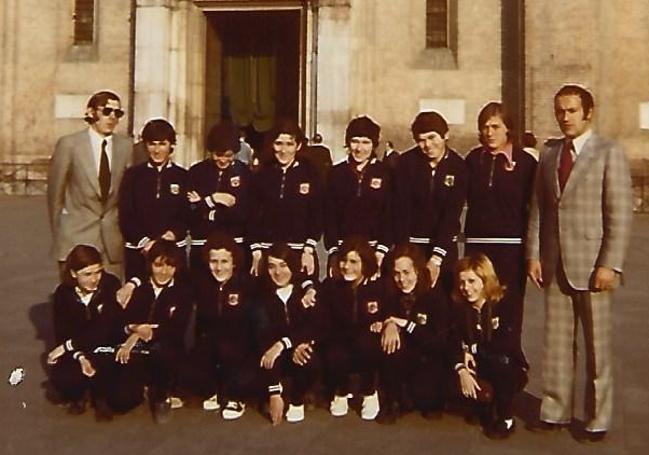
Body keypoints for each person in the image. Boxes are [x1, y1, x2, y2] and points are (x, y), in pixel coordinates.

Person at [526, 84, 633, 441]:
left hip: (593, 264)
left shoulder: (608, 153)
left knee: (597, 347)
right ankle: (554, 409)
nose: (565, 117)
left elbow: (619, 214)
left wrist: (610, 264)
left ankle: (596, 417)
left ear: (588, 113)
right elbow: (539, 210)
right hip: (555, 262)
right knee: (556, 343)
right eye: (560, 110)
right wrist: (534, 255)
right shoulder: (550, 154)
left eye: (572, 110)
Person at [464, 102, 537, 350]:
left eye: (495, 126)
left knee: (508, 312)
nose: (489, 132)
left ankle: (509, 367)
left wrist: (533, 253)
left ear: (508, 130)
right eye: (485, 127)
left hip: (510, 249)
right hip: (477, 248)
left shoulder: (526, 163)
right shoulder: (474, 160)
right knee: (474, 309)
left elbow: (534, 210)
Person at [48, 90, 132, 278]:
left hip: (112, 240)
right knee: (74, 300)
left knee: (111, 300)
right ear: (91, 112)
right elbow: (55, 195)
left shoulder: (126, 147)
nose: (112, 117)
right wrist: (60, 234)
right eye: (107, 111)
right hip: (76, 237)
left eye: (118, 113)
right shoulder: (69, 144)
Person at [107, 240, 192, 423]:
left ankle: (162, 396)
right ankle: (140, 388)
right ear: (150, 265)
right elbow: (120, 322)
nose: (164, 271)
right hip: (137, 350)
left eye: (170, 266)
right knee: (120, 402)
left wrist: (143, 332)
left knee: (164, 351)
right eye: (158, 265)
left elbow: (176, 328)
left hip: (165, 350)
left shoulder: (182, 293)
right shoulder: (138, 289)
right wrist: (132, 329)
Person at [393, 111, 467, 307]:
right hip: (413, 246)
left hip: (443, 248)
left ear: (445, 135)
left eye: (432, 137)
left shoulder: (458, 166)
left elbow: (452, 214)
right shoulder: (406, 163)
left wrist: (436, 258)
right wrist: (405, 252)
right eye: (421, 140)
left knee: (443, 304)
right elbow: (401, 210)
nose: (427, 145)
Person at [451, 253, 528, 439]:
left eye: (472, 281)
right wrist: (461, 366)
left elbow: (506, 344)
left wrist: (471, 350)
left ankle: (506, 416)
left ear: (485, 280)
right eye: (462, 282)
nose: (466, 288)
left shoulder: (506, 303)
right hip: (473, 364)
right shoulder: (459, 307)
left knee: (503, 362)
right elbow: (449, 340)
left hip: (502, 364)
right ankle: (480, 404)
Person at [46, 244, 123, 419]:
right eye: (87, 274)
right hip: (77, 351)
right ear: (74, 274)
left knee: (116, 382)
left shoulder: (111, 285)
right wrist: (79, 356)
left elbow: (105, 329)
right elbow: (62, 332)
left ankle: (100, 397)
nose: (95, 279)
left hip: (105, 347)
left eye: (98, 272)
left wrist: (68, 346)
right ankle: (78, 395)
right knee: (63, 378)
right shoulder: (62, 294)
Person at [378, 243, 451, 424]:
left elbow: (440, 342)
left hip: (429, 358)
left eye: (406, 272)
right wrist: (389, 323)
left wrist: (408, 325)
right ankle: (393, 400)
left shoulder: (435, 298)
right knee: (389, 345)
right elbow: (384, 316)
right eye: (396, 273)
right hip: (404, 356)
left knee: (428, 402)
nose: (401, 279)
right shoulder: (389, 295)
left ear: (417, 271)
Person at [190, 231, 258, 420]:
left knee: (230, 350)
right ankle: (212, 389)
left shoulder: (247, 284)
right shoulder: (201, 284)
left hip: (241, 346)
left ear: (234, 262)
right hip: (213, 342)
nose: (218, 268)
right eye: (214, 262)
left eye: (224, 261)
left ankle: (235, 397)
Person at [249, 119, 323, 279]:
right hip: (268, 252)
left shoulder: (311, 174)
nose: (283, 150)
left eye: (289, 144)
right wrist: (256, 251)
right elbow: (252, 214)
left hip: (300, 251)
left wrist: (309, 248)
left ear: (298, 146)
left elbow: (317, 213)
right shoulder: (261, 175)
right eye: (278, 144)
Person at [257, 244, 322, 425]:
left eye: (283, 265)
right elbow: (265, 341)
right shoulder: (261, 297)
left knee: (307, 356)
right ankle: (273, 393)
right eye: (272, 266)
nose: (278, 272)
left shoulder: (305, 292)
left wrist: (287, 344)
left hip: (293, 349)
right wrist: (274, 392)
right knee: (263, 359)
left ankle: (297, 398)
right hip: (272, 354)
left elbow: (312, 327)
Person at [321, 236, 384, 420]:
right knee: (335, 349)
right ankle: (341, 391)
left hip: (367, 341)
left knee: (368, 343)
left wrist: (386, 323)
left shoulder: (379, 287)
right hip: (340, 340)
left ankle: (369, 391)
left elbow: (387, 313)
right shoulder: (331, 287)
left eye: (354, 261)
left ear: (365, 263)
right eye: (343, 261)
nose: (347, 266)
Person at [118, 118, 188, 281]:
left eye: (162, 144)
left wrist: (168, 237)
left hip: (172, 250)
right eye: (152, 144)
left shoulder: (183, 176)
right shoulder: (132, 176)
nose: (157, 150)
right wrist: (144, 242)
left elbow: (186, 215)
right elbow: (126, 214)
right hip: (140, 250)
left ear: (171, 145)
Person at [325, 116, 392, 275]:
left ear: (374, 144)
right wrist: (334, 250)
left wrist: (382, 250)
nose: (359, 148)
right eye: (355, 141)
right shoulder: (336, 173)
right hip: (343, 250)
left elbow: (390, 215)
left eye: (366, 142)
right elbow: (329, 215)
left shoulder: (387, 173)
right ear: (348, 143)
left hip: (375, 251)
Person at [187, 122, 251, 276]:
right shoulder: (197, 172)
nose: (223, 160)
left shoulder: (244, 173)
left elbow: (242, 213)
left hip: (234, 246)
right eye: (218, 155)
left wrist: (208, 211)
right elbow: (190, 211)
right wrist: (213, 199)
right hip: (202, 244)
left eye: (228, 155)